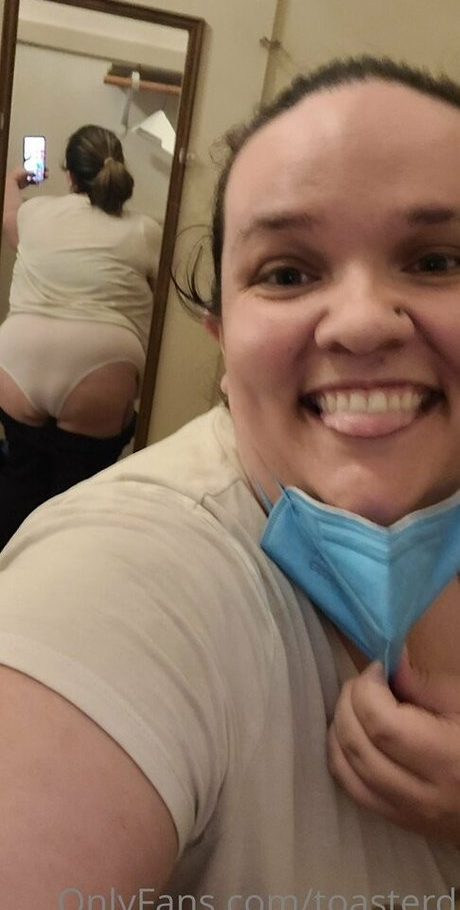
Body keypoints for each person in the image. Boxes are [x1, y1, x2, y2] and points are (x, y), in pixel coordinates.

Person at [0, 56, 460, 907]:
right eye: (287, 273)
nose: (363, 323)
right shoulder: (126, 577)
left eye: (437, 260)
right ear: (222, 339)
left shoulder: (39, 212)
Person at [0, 124, 161, 547]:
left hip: (18, 359)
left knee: (18, 480)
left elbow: (8, 220)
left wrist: (14, 181)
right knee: (78, 497)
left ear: (68, 174)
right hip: (101, 367)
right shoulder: (145, 231)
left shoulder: (35, 213)